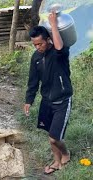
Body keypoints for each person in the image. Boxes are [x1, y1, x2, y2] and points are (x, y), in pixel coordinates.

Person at [24, 12, 72, 175]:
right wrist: (28, 100)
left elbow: (59, 47)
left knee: (54, 137)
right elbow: (33, 81)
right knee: (49, 134)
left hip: (62, 100)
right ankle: (57, 162)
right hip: (46, 100)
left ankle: (65, 154)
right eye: (35, 45)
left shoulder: (60, 53)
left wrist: (52, 25)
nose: (38, 48)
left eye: (40, 44)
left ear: (48, 39)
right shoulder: (36, 57)